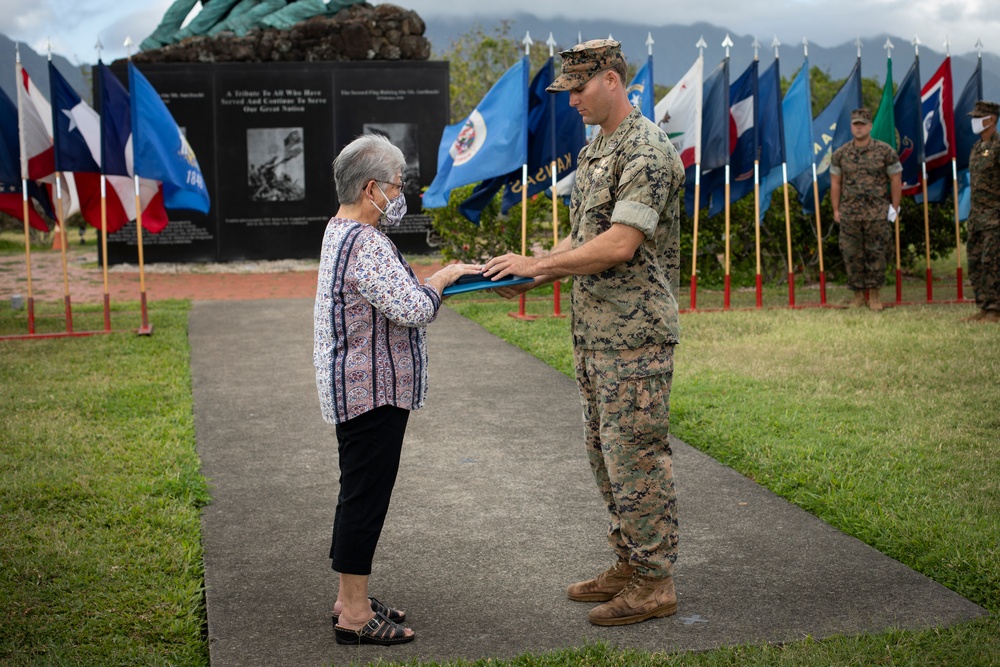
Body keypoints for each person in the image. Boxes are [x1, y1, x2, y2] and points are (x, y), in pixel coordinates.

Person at [483, 39, 684, 627]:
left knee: (637, 459)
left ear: (614, 81)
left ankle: (655, 582)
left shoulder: (646, 150)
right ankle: (629, 562)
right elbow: (587, 235)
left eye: (578, 88)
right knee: (606, 457)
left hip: (636, 336)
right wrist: (535, 266)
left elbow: (621, 245)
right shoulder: (601, 148)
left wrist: (539, 267)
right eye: (566, 90)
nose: (570, 99)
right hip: (597, 333)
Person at [313, 133, 480, 645]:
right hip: (372, 392)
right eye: (397, 184)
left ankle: (351, 597)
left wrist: (423, 284)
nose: (401, 192)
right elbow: (413, 309)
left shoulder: (340, 230)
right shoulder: (365, 242)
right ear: (371, 189)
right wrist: (446, 277)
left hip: (355, 388)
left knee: (358, 492)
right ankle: (356, 617)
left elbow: (394, 296)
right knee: (365, 497)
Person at [830, 108, 903, 311]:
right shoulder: (841, 153)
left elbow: (896, 179)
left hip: (877, 213)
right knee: (851, 254)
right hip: (850, 213)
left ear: (870, 126)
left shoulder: (885, 151)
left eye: (863, 124)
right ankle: (858, 296)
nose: (859, 127)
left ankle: (875, 297)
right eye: (855, 124)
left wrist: (894, 208)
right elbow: (835, 182)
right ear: (851, 126)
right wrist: (836, 209)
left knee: (877, 254)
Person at [964, 100, 1000, 323]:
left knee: (993, 262)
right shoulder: (977, 148)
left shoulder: (998, 147)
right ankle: (984, 307)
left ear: (991, 119)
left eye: (979, 117)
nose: (974, 121)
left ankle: (996, 309)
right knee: (976, 262)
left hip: (995, 217)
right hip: (977, 217)